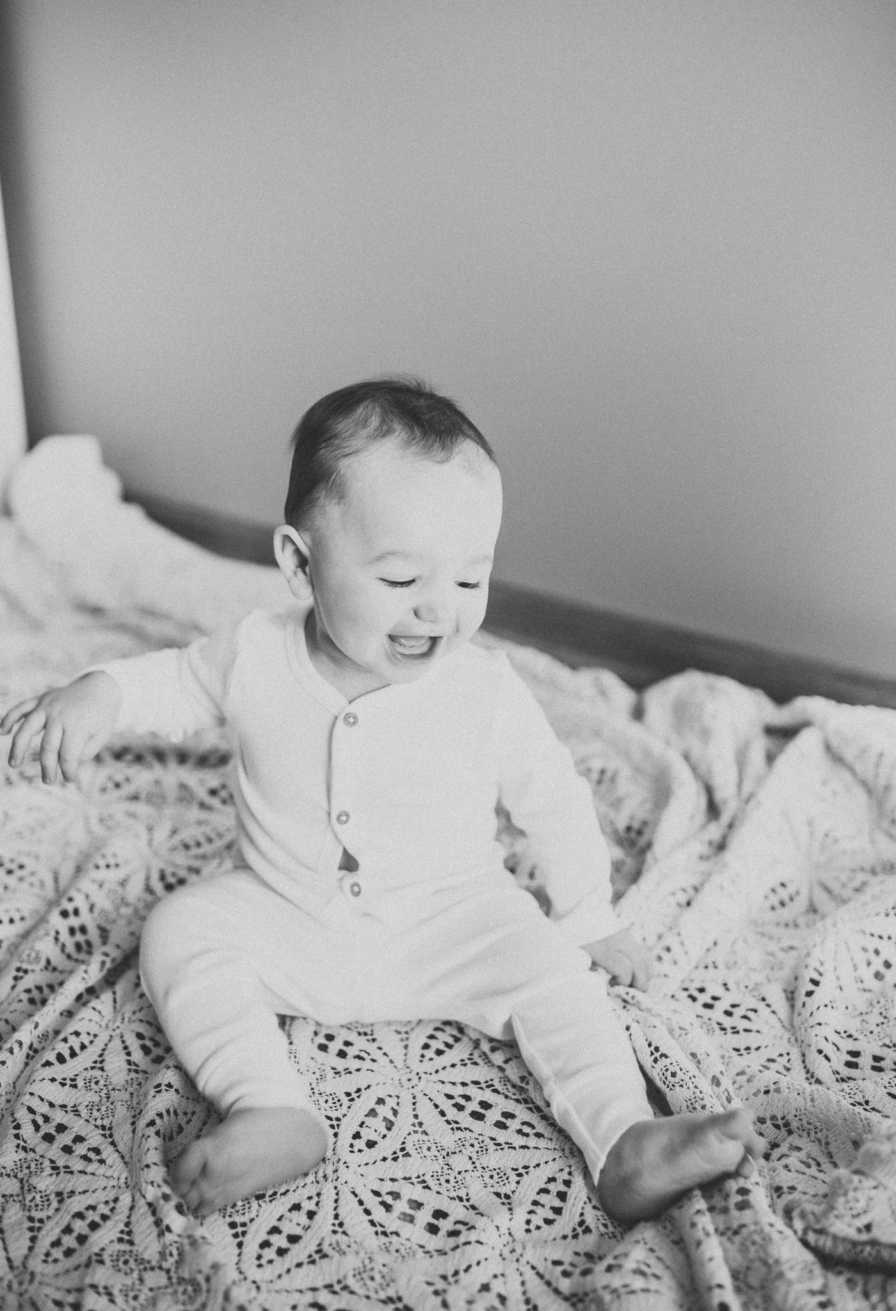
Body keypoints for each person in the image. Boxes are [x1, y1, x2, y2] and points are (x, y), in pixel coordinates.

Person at [1, 378, 763, 1222]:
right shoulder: (255, 653)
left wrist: (588, 915)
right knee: (178, 933)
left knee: (557, 976)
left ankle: (623, 1140)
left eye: (471, 580)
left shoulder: (484, 688)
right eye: (401, 577)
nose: (438, 608)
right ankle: (271, 1106)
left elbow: (552, 796)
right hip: (289, 913)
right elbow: (174, 683)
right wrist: (101, 693)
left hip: (457, 920)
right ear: (299, 563)